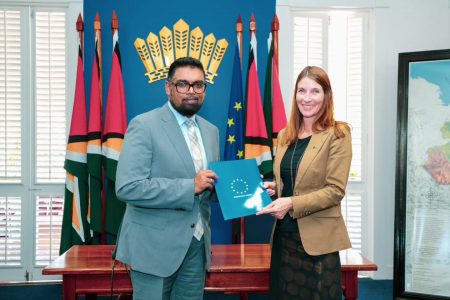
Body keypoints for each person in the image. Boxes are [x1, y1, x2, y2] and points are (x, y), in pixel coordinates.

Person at [114, 57, 219, 300]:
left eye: (199, 85)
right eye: (183, 84)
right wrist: (189, 187)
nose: (191, 91)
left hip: (196, 247)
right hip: (153, 248)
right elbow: (128, 187)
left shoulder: (211, 131)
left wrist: (247, 191)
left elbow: (208, 187)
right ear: (168, 87)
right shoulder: (144, 125)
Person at [257, 66, 352, 300]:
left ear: (326, 95)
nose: (307, 98)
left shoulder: (338, 133)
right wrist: (276, 188)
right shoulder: (284, 135)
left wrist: (289, 202)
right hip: (284, 239)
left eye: (315, 91)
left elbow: (335, 190)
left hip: (318, 243)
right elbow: (293, 182)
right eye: (302, 90)